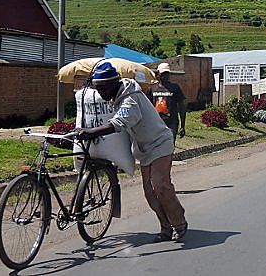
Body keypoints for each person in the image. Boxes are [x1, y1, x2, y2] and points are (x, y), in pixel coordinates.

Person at [75, 62, 188, 242]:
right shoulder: (116, 97)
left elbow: (119, 123)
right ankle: (165, 227)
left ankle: (179, 222)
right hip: (143, 148)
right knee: (149, 192)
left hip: (160, 142)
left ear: (113, 84)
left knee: (160, 185)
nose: (101, 93)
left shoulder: (130, 98)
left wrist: (91, 132)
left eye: (103, 89)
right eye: (98, 89)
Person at [147, 63, 187, 144]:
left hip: (171, 124)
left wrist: (183, 126)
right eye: (163, 74)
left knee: (169, 147)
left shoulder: (175, 88)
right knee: (157, 147)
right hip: (157, 124)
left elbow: (182, 106)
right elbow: (148, 107)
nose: (165, 76)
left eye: (167, 74)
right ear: (158, 74)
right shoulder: (152, 88)